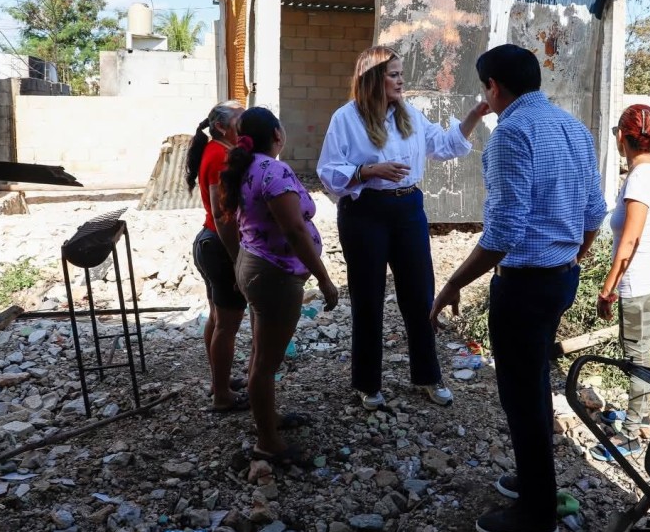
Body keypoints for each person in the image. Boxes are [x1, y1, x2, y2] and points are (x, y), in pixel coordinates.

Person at [430, 44, 607, 532]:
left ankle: (536, 513)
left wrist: (450, 284)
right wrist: (574, 257)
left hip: (527, 287)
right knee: (533, 387)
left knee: (523, 396)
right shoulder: (572, 127)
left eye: (482, 87)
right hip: (560, 279)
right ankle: (535, 483)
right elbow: (594, 212)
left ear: (493, 88)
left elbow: (502, 235)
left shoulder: (511, 134)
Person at [317, 45, 488, 411]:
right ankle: (367, 383)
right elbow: (328, 172)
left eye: (400, 74)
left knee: (419, 294)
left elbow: (442, 146)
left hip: (409, 208)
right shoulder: (345, 119)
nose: (400, 81)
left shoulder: (409, 114)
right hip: (365, 212)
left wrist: (474, 115)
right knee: (368, 298)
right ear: (373, 78)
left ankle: (427, 376)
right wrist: (368, 171)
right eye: (393, 74)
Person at [220, 107, 339, 465]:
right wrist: (324, 278)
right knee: (264, 363)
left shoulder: (244, 167)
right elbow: (294, 230)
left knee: (260, 354)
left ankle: (267, 420)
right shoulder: (273, 170)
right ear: (276, 134)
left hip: (254, 264)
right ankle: (267, 443)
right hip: (274, 274)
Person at [589, 104, 650, 463]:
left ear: (622, 137)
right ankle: (642, 413)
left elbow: (629, 241)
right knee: (643, 351)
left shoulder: (639, 178)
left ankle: (632, 434)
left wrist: (608, 288)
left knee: (636, 358)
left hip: (637, 283)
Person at [185, 100, 248, 413]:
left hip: (210, 244)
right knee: (227, 324)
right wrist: (239, 260)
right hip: (220, 247)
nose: (246, 122)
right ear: (223, 126)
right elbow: (223, 216)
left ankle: (218, 382)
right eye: (241, 118)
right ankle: (222, 396)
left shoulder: (218, 151)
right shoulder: (221, 156)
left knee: (218, 318)